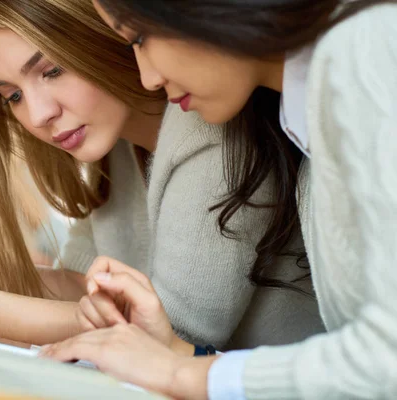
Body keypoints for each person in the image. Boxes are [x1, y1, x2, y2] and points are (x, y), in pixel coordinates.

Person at [0, 0, 323, 349]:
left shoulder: (211, 127)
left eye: (51, 70)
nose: (39, 113)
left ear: (100, 35)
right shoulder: (113, 147)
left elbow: (175, 329)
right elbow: (86, 288)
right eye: (12, 96)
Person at [42, 0, 397, 398]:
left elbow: (387, 357)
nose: (148, 78)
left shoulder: (365, 46)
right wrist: (175, 353)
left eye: (141, 37)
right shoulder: (305, 133)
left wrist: (180, 375)